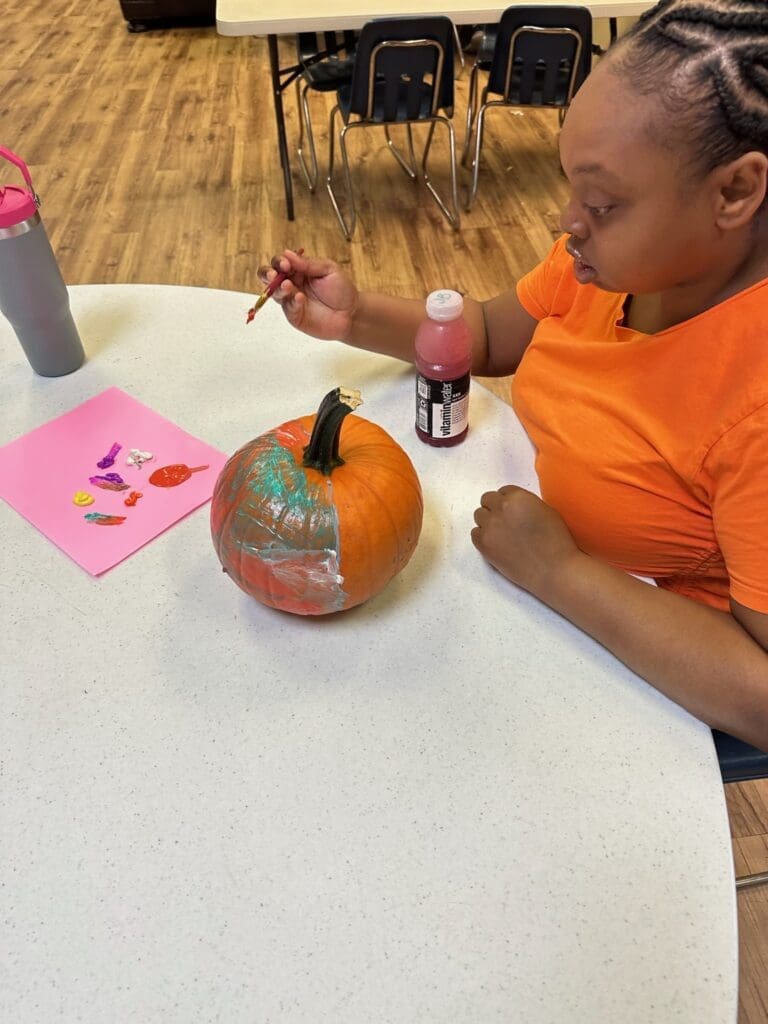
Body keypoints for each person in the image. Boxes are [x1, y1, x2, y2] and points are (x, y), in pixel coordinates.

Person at [260, 0, 768, 753]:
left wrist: (560, 573)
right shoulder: (609, 265)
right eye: (572, 190)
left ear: (734, 192)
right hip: (525, 581)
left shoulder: (752, 404)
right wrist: (357, 314)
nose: (568, 220)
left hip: (635, 675)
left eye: (600, 202)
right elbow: (494, 334)